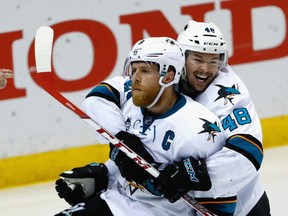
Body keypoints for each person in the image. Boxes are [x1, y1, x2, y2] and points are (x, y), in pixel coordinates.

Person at [54, 37, 232, 216]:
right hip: (118, 201)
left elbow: (223, 202)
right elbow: (95, 99)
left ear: (168, 76)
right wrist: (106, 172)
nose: (135, 78)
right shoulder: (130, 99)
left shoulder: (199, 129)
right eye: (133, 70)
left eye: (145, 71)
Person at [176, 20, 271, 216]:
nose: (206, 69)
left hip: (245, 208)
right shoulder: (167, 79)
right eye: (198, 59)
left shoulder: (229, 95)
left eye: (213, 61)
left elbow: (247, 151)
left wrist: (189, 176)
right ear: (181, 58)